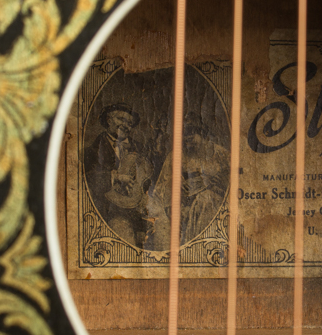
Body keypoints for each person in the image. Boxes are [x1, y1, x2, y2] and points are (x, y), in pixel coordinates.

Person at [147, 113, 229, 251]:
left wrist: (219, 183)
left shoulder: (220, 154)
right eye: (184, 134)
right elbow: (160, 190)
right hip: (180, 209)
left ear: (202, 133)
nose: (187, 138)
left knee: (205, 199)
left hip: (212, 209)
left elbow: (238, 183)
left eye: (192, 132)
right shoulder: (174, 156)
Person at [84, 103, 153, 247]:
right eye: (121, 119)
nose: (125, 125)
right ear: (109, 120)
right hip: (110, 209)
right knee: (121, 230)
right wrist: (116, 177)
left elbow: (149, 178)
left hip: (141, 209)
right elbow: (89, 180)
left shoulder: (141, 148)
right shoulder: (92, 150)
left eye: (129, 123)